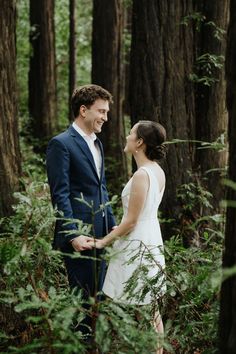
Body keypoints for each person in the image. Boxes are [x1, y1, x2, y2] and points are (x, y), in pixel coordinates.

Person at [92, 120, 167, 354]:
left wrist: (103, 241)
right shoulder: (157, 171)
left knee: (144, 306)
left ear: (140, 142)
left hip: (139, 242)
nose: (127, 136)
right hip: (151, 235)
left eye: (131, 133)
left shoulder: (142, 175)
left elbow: (132, 220)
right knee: (151, 308)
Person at [46, 84, 116, 315]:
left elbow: (101, 187)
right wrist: (73, 234)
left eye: (106, 112)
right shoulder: (61, 143)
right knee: (83, 299)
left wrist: (112, 223)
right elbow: (60, 193)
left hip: (102, 231)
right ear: (83, 110)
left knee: (100, 296)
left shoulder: (98, 144)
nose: (105, 117)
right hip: (81, 234)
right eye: (101, 111)